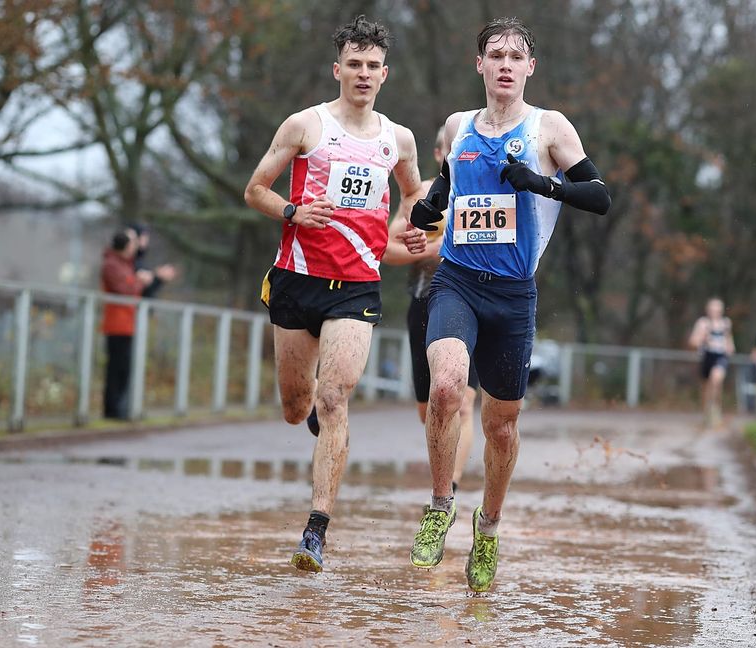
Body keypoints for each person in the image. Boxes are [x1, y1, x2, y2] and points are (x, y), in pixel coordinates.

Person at [402, 17, 611, 592]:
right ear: (480, 65)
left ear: (530, 68)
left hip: (514, 293)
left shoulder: (549, 127)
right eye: (496, 55)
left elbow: (599, 196)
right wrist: (431, 205)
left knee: (500, 426)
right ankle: (440, 506)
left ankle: (488, 526)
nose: (505, 65)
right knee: (447, 387)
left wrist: (543, 184)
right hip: (456, 280)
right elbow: (448, 181)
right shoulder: (458, 125)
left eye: (516, 57)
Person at [243, 15, 425, 574]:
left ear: (385, 74)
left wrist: (406, 230)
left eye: (373, 65)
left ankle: (315, 531)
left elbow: (413, 194)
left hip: (357, 285)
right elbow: (255, 190)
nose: (363, 73)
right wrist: (293, 211)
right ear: (337, 69)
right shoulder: (306, 126)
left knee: (334, 398)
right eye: (354, 64)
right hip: (297, 280)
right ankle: (313, 415)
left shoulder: (398, 139)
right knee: (296, 408)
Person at [382, 127, 478, 497]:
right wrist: (431, 249)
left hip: (473, 302)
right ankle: (443, 477)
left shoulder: (485, 190)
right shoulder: (421, 195)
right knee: (430, 410)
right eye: (449, 149)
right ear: (439, 154)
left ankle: (448, 489)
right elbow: (385, 249)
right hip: (425, 302)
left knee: (464, 403)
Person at [100, 228, 154, 419]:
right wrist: (140, 281)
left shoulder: (124, 263)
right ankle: (114, 410)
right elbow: (125, 289)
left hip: (127, 323)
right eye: (132, 244)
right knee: (117, 369)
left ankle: (121, 408)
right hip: (117, 324)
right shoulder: (112, 264)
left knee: (124, 369)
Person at [688, 297, 735, 428]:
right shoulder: (702, 323)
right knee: (706, 387)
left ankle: (716, 411)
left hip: (720, 356)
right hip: (706, 356)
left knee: (716, 380)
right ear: (708, 309)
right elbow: (692, 342)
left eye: (717, 308)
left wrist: (730, 347)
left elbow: (729, 340)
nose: (715, 311)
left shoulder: (726, 323)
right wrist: (702, 338)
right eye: (712, 308)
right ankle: (706, 413)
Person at [128, 223, 177, 299]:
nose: (145, 242)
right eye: (143, 238)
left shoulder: (140, 257)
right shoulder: (130, 258)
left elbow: (147, 291)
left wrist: (158, 278)